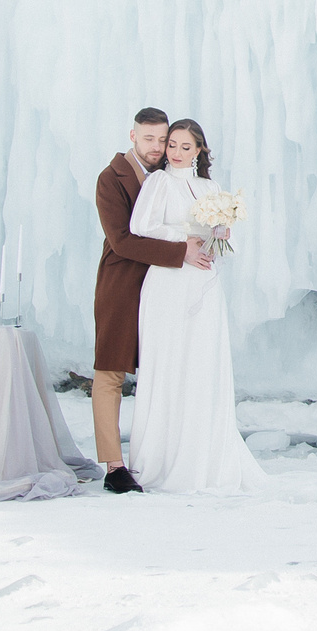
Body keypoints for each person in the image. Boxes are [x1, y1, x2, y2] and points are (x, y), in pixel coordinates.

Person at [128, 118, 269, 494]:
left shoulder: (212, 188)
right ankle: (162, 457)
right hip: (168, 281)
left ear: (199, 150)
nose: (174, 152)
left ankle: (205, 457)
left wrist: (220, 234)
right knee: (170, 360)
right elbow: (141, 226)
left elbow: (227, 240)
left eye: (184, 146)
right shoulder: (158, 183)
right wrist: (184, 241)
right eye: (171, 145)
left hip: (204, 282)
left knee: (202, 362)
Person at [92, 107, 211, 494]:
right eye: (150, 139)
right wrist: (181, 252)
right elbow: (122, 241)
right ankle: (114, 466)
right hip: (124, 285)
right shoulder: (111, 179)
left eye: (164, 140)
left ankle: (165, 455)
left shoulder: (171, 178)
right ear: (132, 136)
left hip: (167, 288)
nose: (158, 147)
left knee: (166, 368)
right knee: (111, 371)